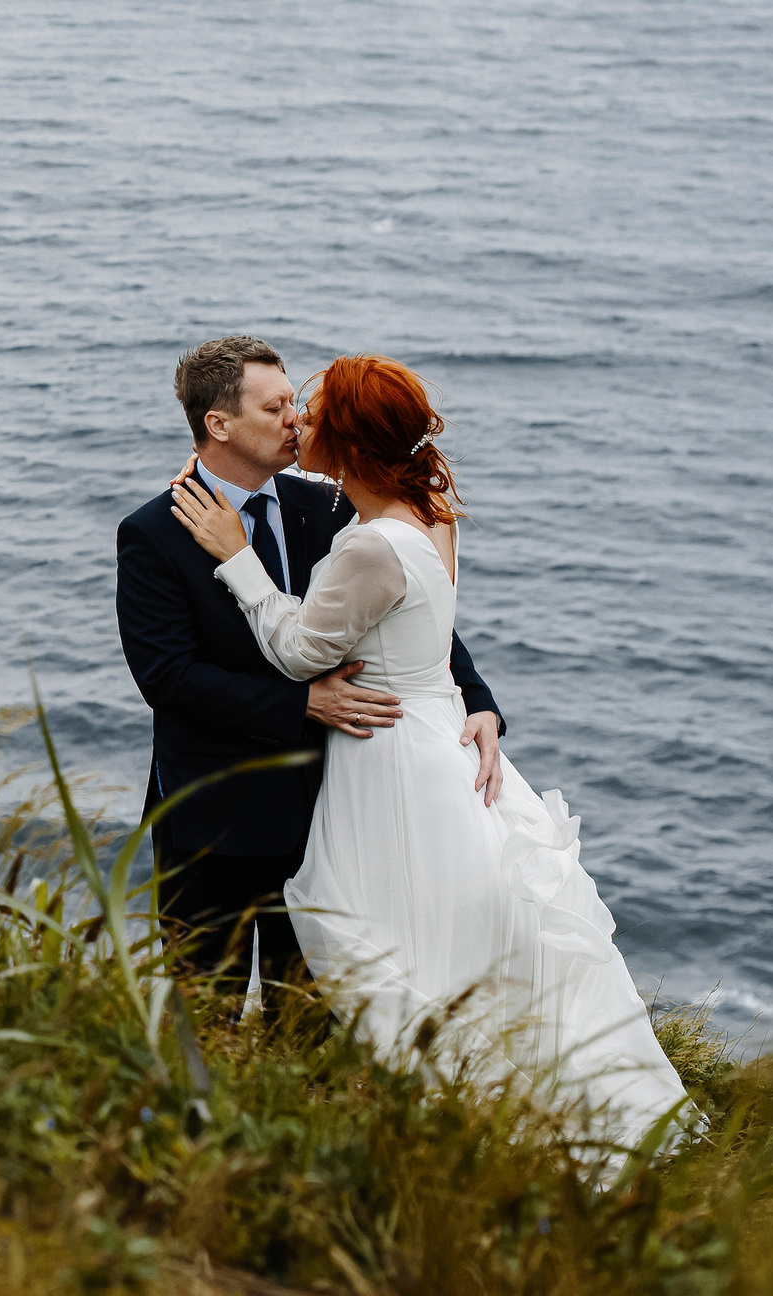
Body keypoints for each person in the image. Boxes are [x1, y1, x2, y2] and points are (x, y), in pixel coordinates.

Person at [169, 352, 690, 1146]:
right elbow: (424, 629)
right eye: (283, 407)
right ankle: (473, 1107)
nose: (298, 421)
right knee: (449, 934)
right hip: (434, 738)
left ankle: (443, 1112)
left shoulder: (369, 543)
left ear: (346, 437)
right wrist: (473, 703)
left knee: (392, 931)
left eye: (309, 409)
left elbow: (304, 653)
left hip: (389, 757)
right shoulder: (429, 510)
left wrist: (237, 557)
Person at [117, 336, 506, 992]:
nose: (296, 418)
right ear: (219, 424)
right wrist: (301, 705)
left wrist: (478, 699)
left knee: (316, 1014)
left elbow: (406, 605)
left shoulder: (328, 506)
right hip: (218, 819)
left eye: (296, 401)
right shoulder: (154, 532)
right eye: (276, 408)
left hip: (335, 814)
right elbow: (168, 678)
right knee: (204, 1012)